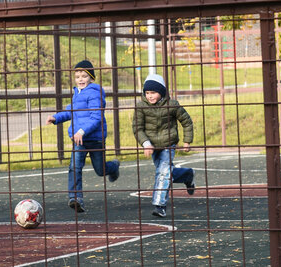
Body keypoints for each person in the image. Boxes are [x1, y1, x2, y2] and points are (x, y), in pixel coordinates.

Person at [46, 60, 120, 213]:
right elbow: (70, 112)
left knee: (100, 170)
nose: (80, 79)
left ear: (91, 78)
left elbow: (96, 117)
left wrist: (81, 131)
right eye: (77, 76)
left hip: (94, 138)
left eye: (84, 76)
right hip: (79, 140)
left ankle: (113, 167)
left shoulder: (94, 93)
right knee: (74, 167)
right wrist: (56, 118)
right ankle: (76, 198)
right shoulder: (77, 94)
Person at [132, 74, 195, 218]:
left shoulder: (172, 105)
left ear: (161, 92)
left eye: (153, 92)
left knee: (163, 173)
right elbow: (137, 128)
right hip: (153, 146)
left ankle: (160, 206)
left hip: (168, 144)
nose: (150, 96)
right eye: (147, 93)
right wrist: (146, 143)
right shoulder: (141, 107)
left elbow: (187, 122)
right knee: (166, 172)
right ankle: (187, 175)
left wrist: (187, 141)